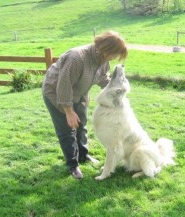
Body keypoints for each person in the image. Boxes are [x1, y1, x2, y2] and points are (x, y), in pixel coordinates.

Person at [42, 31, 128, 179]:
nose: (115, 58)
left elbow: (103, 79)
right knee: (68, 130)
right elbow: (64, 85)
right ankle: (73, 165)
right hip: (56, 94)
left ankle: (83, 156)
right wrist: (68, 112)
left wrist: (118, 93)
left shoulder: (103, 62)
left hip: (80, 94)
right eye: (114, 54)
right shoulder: (77, 58)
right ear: (105, 50)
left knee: (81, 125)